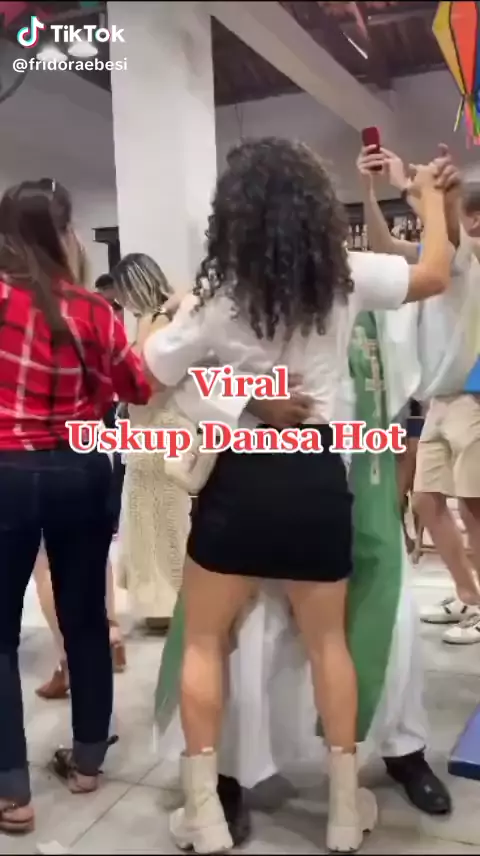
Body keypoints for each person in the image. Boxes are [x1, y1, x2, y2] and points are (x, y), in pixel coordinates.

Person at [138, 137, 452, 854]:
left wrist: (243, 388)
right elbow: (434, 273)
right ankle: (342, 814)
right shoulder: (344, 276)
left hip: (240, 480)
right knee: (329, 644)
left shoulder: (217, 295)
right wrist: (430, 202)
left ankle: (205, 817)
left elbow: (151, 371)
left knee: (207, 642)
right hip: (317, 478)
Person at [0, 178, 150, 834]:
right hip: (82, 469)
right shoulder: (95, 310)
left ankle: (12, 790)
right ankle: (88, 759)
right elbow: (135, 386)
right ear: (64, 235)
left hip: (6, 471)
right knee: (86, 617)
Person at [358, 144, 480, 640]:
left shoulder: (464, 253)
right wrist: (371, 192)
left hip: (471, 400)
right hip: (438, 401)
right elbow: (384, 246)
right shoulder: (440, 255)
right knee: (427, 502)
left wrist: (426, 190)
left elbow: (446, 231)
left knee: (473, 508)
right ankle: (469, 594)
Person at [110, 253, 191, 632]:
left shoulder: (154, 322)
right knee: (160, 519)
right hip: (160, 428)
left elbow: (144, 378)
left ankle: (167, 601)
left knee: (158, 521)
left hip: (157, 430)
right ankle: (167, 600)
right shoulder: (171, 319)